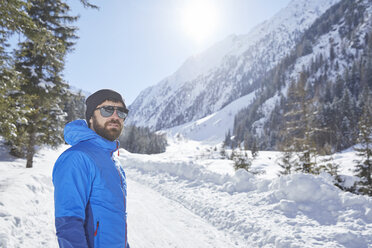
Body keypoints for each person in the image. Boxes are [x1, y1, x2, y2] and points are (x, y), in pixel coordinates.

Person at [53, 89, 130, 248]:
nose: (115, 116)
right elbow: (68, 225)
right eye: (107, 110)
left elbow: (115, 220)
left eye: (121, 112)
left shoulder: (113, 161)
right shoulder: (77, 158)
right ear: (90, 118)